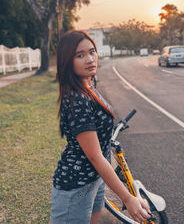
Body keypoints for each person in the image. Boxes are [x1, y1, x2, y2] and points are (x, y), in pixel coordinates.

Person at [49, 30, 150, 224]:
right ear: (67, 61)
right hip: (76, 187)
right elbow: (94, 156)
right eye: (80, 55)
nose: (89, 59)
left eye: (92, 52)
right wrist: (128, 198)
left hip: (95, 180)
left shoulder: (87, 86)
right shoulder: (77, 99)